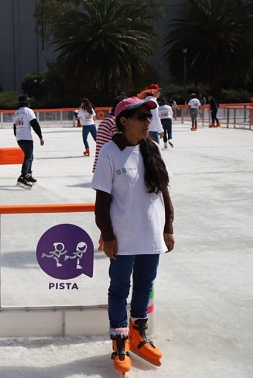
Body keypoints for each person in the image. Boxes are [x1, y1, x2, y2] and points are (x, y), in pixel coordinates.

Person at [91, 96, 174, 374]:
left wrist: (168, 227)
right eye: (141, 117)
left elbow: (164, 191)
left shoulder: (151, 148)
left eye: (148, 117)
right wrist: (108, 235)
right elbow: (102, 201)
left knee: (144, 285)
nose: (147, 121)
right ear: (124, 121)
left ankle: (139, 336)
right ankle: (119, 340)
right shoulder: (110, 152)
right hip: (123, 237)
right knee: (118, 290)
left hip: (151, 234)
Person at [13, 95, 44, 189]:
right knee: (28, 157)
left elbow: (14, 127)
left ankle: (28, 175)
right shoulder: (28, 111)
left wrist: (17, 136)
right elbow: (34, 124)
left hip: (19, 138)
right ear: (26, 103)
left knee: (30, 156)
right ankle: (22, 177)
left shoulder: (16, 113)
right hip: (27, 138)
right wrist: (40, 137)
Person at [93, 94, 127, 173]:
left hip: (100, 165)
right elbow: (121, 144)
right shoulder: (115, 122)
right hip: (109, 166)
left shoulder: (107, 120)